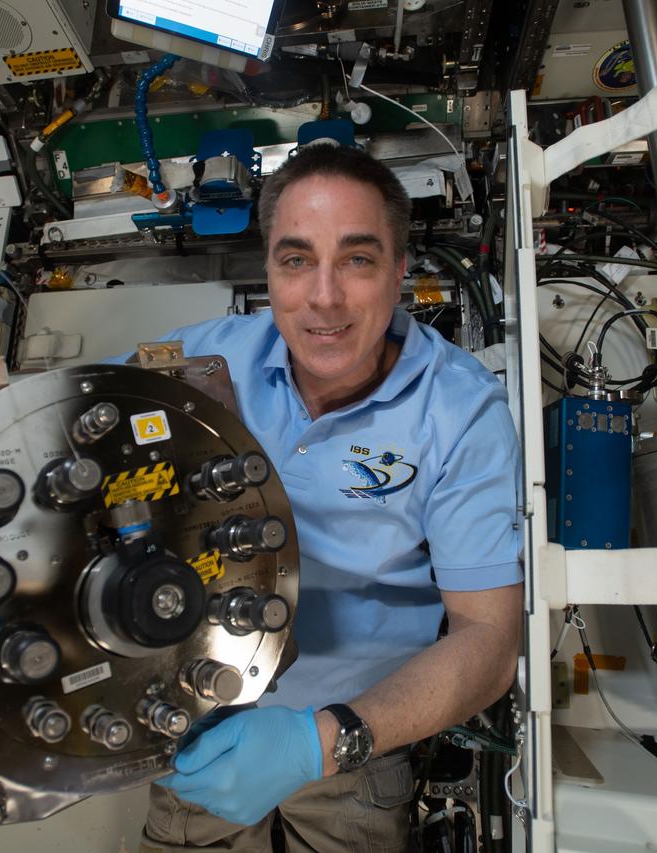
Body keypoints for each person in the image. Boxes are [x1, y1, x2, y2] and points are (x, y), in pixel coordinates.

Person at [132, 144, 524, 852]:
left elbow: (490, 641)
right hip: (199, 732)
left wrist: (322, 741)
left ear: (401, 269)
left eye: (357, 259)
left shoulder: (461, 410)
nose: (324, 297)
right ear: (269, 269)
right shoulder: (191, 365)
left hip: (356, 742)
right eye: (295, 259)